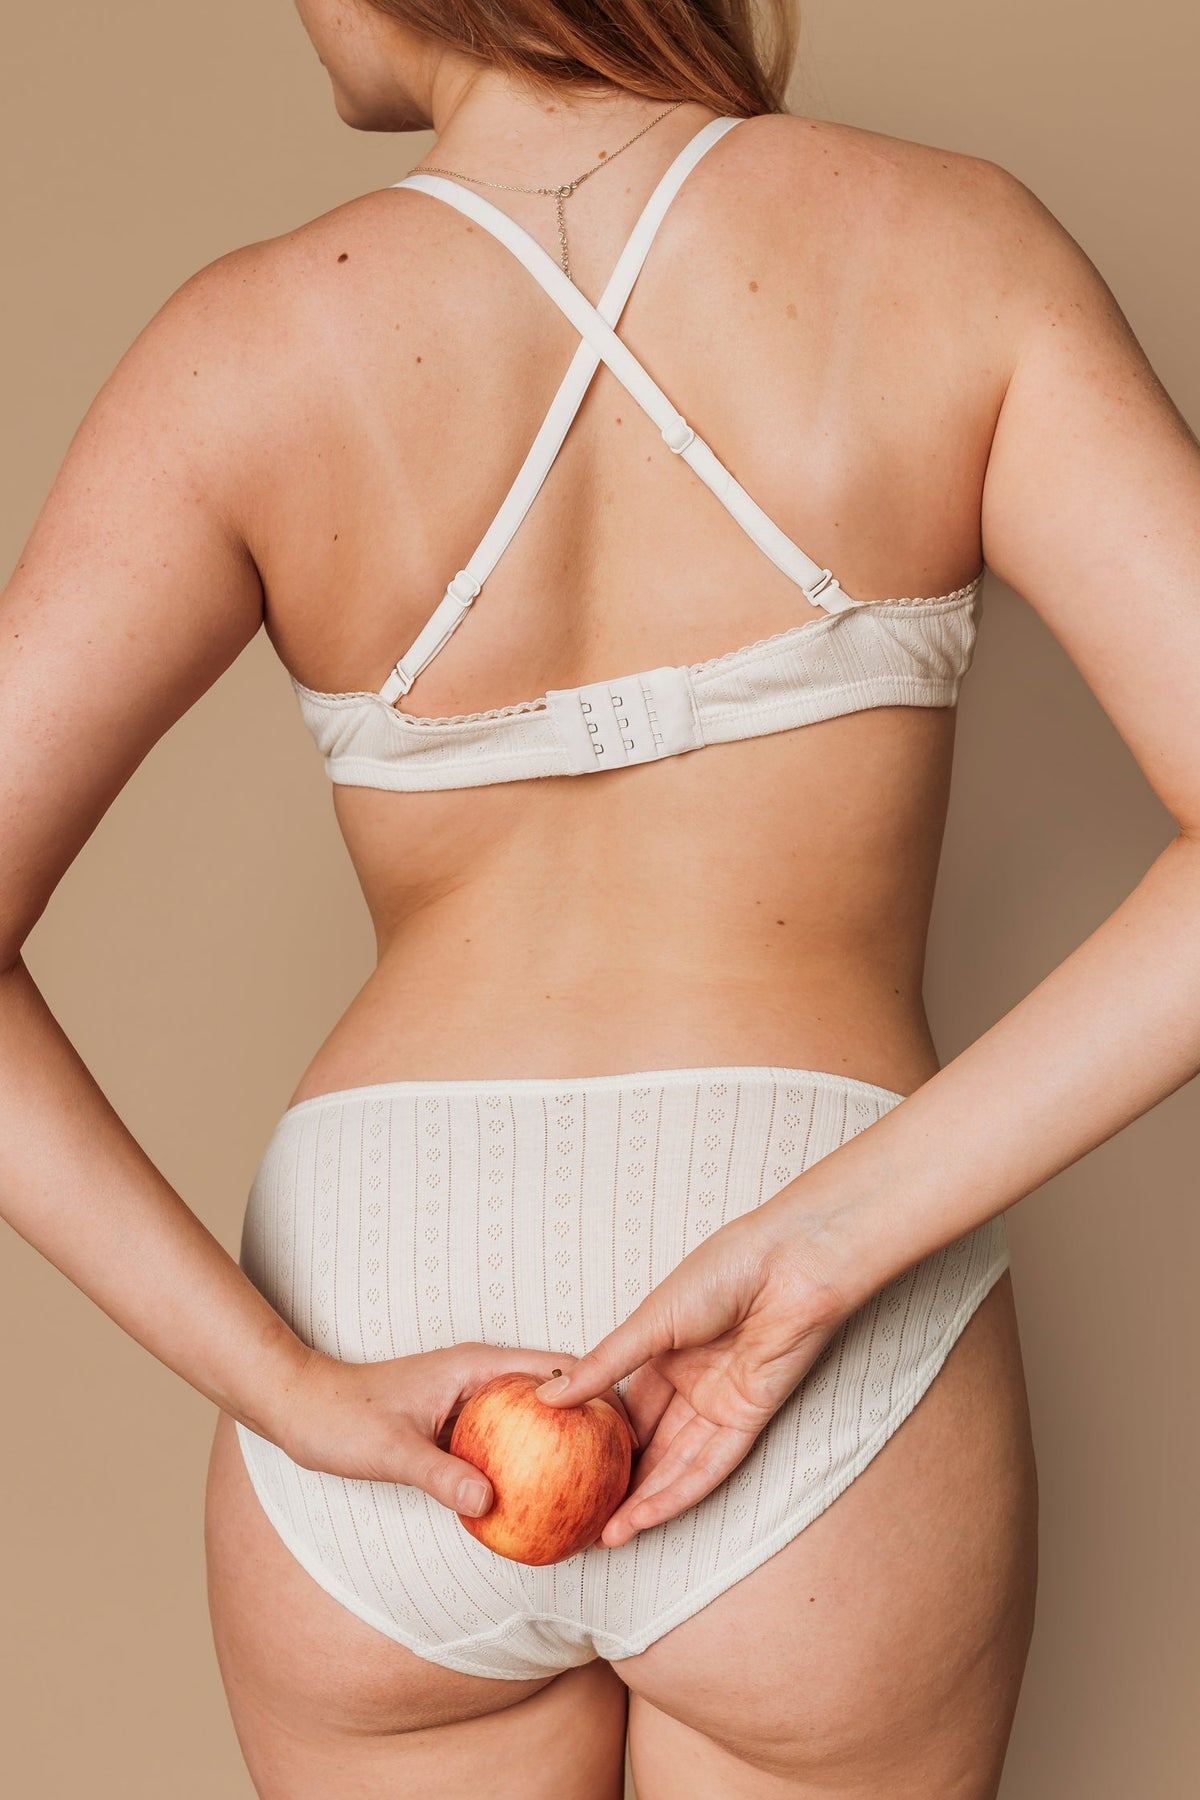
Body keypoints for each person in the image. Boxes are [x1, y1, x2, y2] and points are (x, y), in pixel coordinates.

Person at [2, 0, 1197, 1794]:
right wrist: (831, 1242)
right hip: (820, 1334)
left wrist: (280, 1383)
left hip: (377, 1335)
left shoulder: (242, 351)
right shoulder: (953, 252)